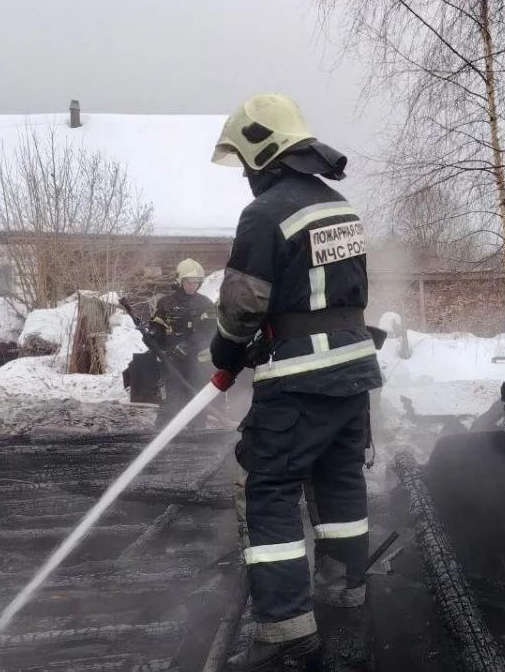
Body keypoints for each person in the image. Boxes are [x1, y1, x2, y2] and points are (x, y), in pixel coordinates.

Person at [210, 93, 382, 671]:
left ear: (263, 151)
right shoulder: (339, 207)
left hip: (301, 381)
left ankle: (285, 626)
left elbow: (243, 304)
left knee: (271, 488)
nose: (244, 176)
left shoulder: (265, 214)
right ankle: (343, 594)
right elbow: (332, 297)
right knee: (339, 485)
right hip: (353, 374)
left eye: (244, 162)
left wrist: (227, 352)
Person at [148, 258, 216, 429]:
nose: (192, 285)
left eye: (196, 282)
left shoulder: (205, 304)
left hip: (198, 365)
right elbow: (158, 326)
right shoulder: (165, 303)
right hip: (172, 363)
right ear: (180, 281)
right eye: (188, 282)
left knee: (197, 404)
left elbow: (207, 331)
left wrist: (188, 345)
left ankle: (197, 439)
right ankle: (165, 441)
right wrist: (152, 335)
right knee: (171, 403)